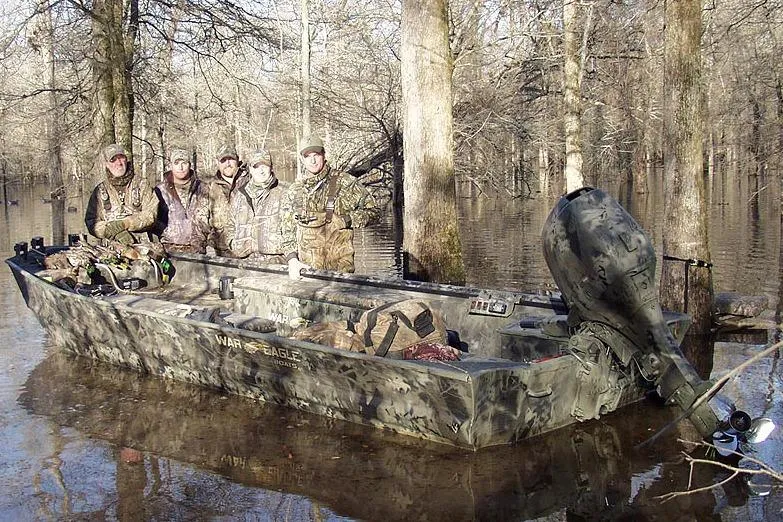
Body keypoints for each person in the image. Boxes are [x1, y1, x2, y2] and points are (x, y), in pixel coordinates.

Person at [280, 135, 381, 279]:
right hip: (306, 271)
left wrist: (347, 220)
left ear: (323, 155)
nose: (313, 161)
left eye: (316, 155)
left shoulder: (345, 183)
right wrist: (292, 259)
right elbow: (287, 230)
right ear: (302, 159)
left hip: (340, 273)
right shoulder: (295, 191)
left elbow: (375, 212)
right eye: (308, 156)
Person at [154, 148, 231, 255]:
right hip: (167, 250)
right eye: (176, 163)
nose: (180, 167)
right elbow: (152, 221)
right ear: (170, 165)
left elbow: (216, 220)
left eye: (184, 163)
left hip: (198, 251)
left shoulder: (204, 188)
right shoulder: (160, 191)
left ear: (190, 165)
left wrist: (208, 242)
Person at [85, 143, 158, 245]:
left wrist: (126, 223)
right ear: (106, 164)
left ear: (126, 160)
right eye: (113, 160)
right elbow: (91, 222)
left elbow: (151, 215)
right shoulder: (100, 191)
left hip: (143, 245)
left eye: (121, 158)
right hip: (111, 247)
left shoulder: (142, 185)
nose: (118, 163)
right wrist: (112, 231)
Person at [228, 149, 286, 262]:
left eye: (265, 166)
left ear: (271, 167)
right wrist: (232, 243)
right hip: (244, 261)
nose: (261, 171)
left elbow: (293, 230)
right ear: (250, 169)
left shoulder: (284, 192)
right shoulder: (240, 195)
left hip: (276, 262)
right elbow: (230, 224)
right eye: (256, 167)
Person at [209, 144, 245, 255]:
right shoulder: (209, 187)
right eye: (223, 160)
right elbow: (203, 220)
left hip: (247, 250)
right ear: (218, 163)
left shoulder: (250, 182)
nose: (228, 164)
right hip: (222, 251)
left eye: (231, 159)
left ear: (237, 160)